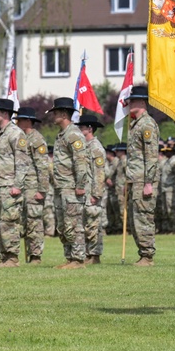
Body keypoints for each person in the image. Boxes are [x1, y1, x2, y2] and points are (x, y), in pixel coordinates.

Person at [0, 98, 29, 267]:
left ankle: (12, 257)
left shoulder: (16, 134)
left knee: (9, 222)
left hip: (9, 185)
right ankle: (3, 256)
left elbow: (22, 162)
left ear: (5, 113)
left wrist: (17, 185)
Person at [50, 97, 91, 269]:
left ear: (65, 114)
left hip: (71, 187)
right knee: (63, 225)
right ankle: (69, 258)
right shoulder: (62, 135)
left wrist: (80, 185)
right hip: (61, 187)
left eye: (56, 112)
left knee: (73, 224)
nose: (53, 116)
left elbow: (80, 162)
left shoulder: (73, 134)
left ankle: (78, 259)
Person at [126, 85, 160, 266]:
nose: (129, 103)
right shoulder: (136, 125)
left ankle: (147, 256)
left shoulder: (147, 124)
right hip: (135, 179)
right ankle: (143, 254)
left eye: (132, 101)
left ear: (142, 102)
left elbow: (151, 155)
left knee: (144, 218)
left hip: (143, 180)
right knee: (136, 219)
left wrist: (149, 182)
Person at [16, 107, 49, 264]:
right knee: (25, 222)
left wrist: (42, 190)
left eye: (20, 119)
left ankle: (36, 256)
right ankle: (29, 254)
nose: (17, 122)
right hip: (23, 187)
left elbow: (43, 166)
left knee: (34, 222)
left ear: (28, 121)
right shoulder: (21, 138)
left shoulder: (36, 139)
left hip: (33, 187)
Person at [77, 113, 108, 264]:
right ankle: (88, 254)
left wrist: (96, 193)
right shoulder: (84, 147)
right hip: (84, 192)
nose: (79, 130)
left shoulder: (96, 147)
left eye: (81, 127)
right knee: (86, 224)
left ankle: (94, 255)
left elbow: (100, 173)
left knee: (93, 224)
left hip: (92, 192)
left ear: (90, 129)